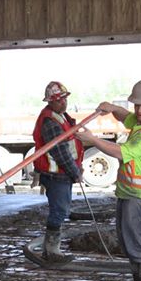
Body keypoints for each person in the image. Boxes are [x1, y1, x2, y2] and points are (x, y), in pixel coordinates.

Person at [77, 79, 141, 281]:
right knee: (130, 241)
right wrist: (112, 108)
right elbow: (125, 117)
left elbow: (120, 152)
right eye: (137, 105)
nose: (139, 110)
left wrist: (93, 139)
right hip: (131, 195)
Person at [33, 80, 84, 263]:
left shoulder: (61, 117)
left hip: (61, 174)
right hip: (55, 175)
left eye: (64, 99)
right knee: (59, 211)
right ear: (50, 102)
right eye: (58, 100)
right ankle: (51, 251)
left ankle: (52, 249)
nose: (63, 103)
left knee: (61, 209)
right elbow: (60, 152)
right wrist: (75, 172)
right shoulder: (50, 121)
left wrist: (77, 166)